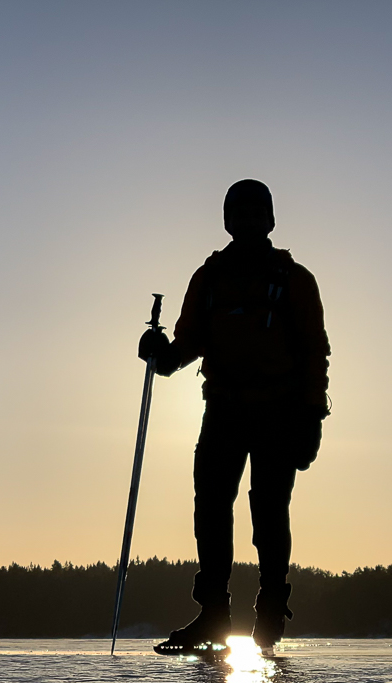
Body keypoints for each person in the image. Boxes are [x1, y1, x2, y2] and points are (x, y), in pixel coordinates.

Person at [138, 179, 331, 652]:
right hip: (223, 408)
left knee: (268, 512)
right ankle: (213, 615)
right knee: (210, 507)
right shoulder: (209, 279)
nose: (245, 222)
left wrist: (312, 416)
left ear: (269, 221)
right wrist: (160, 357)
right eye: (237, 214)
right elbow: (187, 343)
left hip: (280, 412)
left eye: (254, 214)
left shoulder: (294, 280)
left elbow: (314, 353)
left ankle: (269, 613)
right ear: (228, 221)